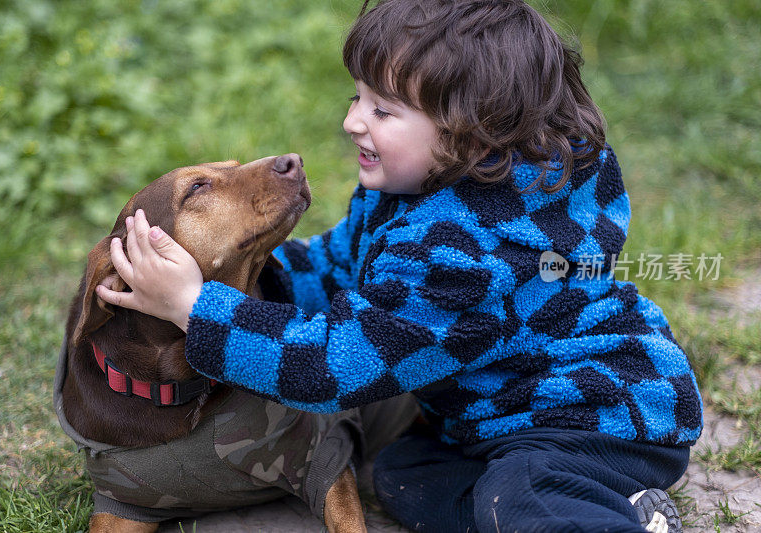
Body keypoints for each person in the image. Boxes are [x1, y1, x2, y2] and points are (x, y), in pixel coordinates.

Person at [96, 1, 703, 531]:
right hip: (495, 412)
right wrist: (236, 270)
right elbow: (336, 265)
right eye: (356, 97)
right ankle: (614, 505)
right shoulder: (412, 194)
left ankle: (596, 516)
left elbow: (333, 365)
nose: (352, 121)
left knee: (519, 496)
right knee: (402, 473)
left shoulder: (459, 257)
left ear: (472, 136)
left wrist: (195, 308)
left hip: (597, 415)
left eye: (383, 111)